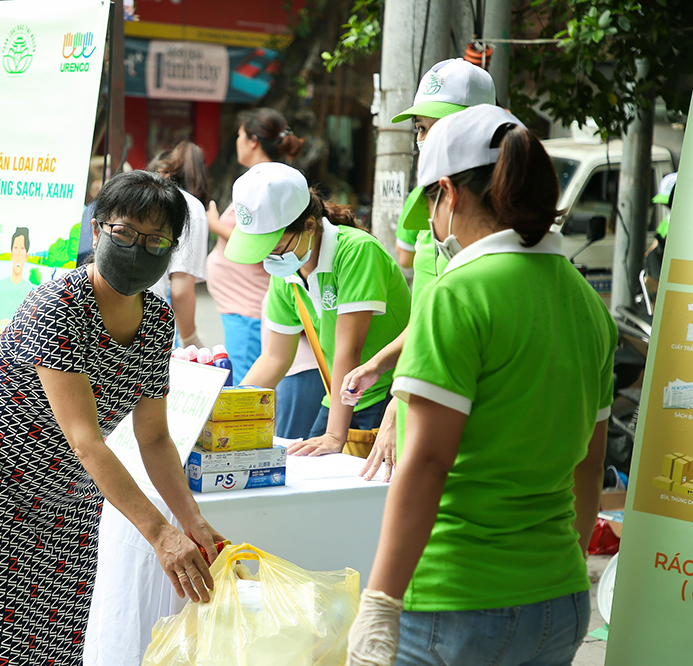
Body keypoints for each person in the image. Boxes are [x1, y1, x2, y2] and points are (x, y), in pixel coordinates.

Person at [346, 105, 616, 666]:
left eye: (430, 205)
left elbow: (425, 464)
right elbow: (589, 466)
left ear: (449, 193)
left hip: (457, 602)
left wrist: (379, 605)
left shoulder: (456, 294)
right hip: (560, 599)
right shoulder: (588, 304)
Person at [0, 171, 225, 665]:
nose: (139, 248)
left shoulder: (156, 320)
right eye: (125, 233)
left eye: (157, 240)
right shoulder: (60, 304)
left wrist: (192, 521)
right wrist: (160, 534)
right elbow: (85, 439)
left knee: (55, 637)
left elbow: (153, 437)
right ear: (97, 230)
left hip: (69, 494)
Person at [344, 58, 496, 481]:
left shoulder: (489, 231)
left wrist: (400, 399)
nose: (424, 141)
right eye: (420, 130)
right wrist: (381, 366)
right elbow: (430, 314)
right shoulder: (431, 207)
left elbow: (456, 324)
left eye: (434, 128)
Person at [229, 162, 411, 454]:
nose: (267, 259)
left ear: (309, 227)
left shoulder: (356, 252)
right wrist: (227, 413)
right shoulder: (286, 271)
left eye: (273, 247)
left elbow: (348, 349)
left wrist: (334, 436)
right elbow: (275, 357)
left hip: (386, 394)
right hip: (338, 394)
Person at [206, 107, 305, 384]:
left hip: (249, 308)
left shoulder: (267, 188)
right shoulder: (258, 183)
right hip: (241, 307)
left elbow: (263, 243)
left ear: (252, 141)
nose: (236, 142)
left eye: (239, 135)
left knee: (249, 389)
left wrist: (213, 223)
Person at [148, 141, 210, 348]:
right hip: (149, 319)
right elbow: (181, 288)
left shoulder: (135, 196)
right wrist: (190, 339)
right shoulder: (190, 207)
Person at [0, 227, 41, 348]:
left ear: (26, 255)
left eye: (22, 250)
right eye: (16, 249)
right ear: (11, 254)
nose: (18, 255)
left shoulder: (30, 293)